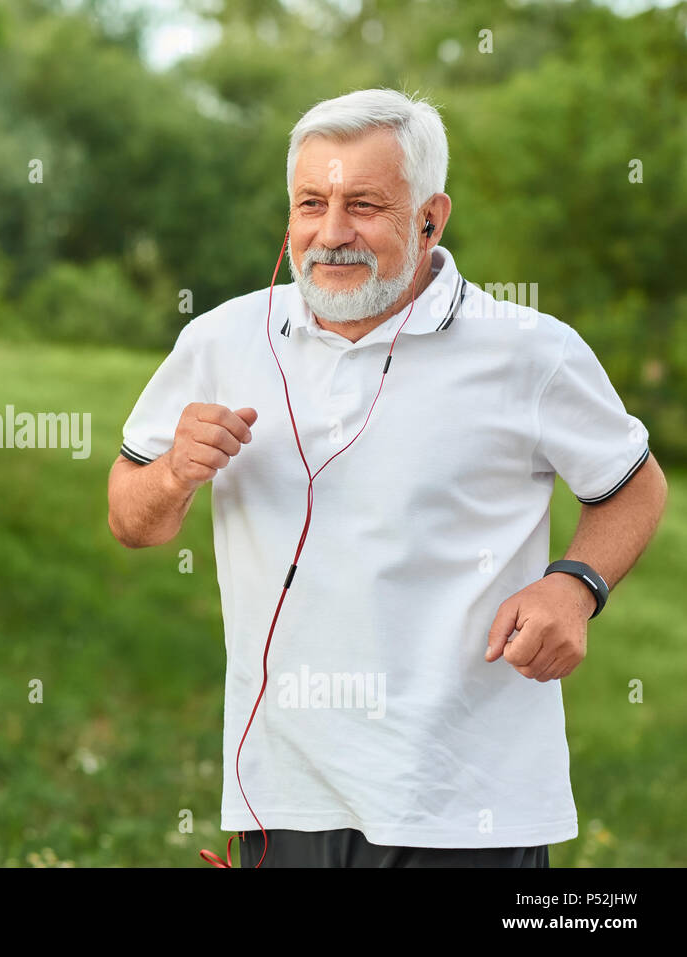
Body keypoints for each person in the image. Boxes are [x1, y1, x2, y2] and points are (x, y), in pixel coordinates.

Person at [106, 88, 668, 868]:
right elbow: (132, 519)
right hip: (284, 796)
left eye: (365, 205)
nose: (331, 233)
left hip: (468, 803)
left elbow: (634, 486)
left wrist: (574, 585)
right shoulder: (220, 339)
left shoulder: (531, 351)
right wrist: (172, 473)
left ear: (431, 217)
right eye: (311, 203)